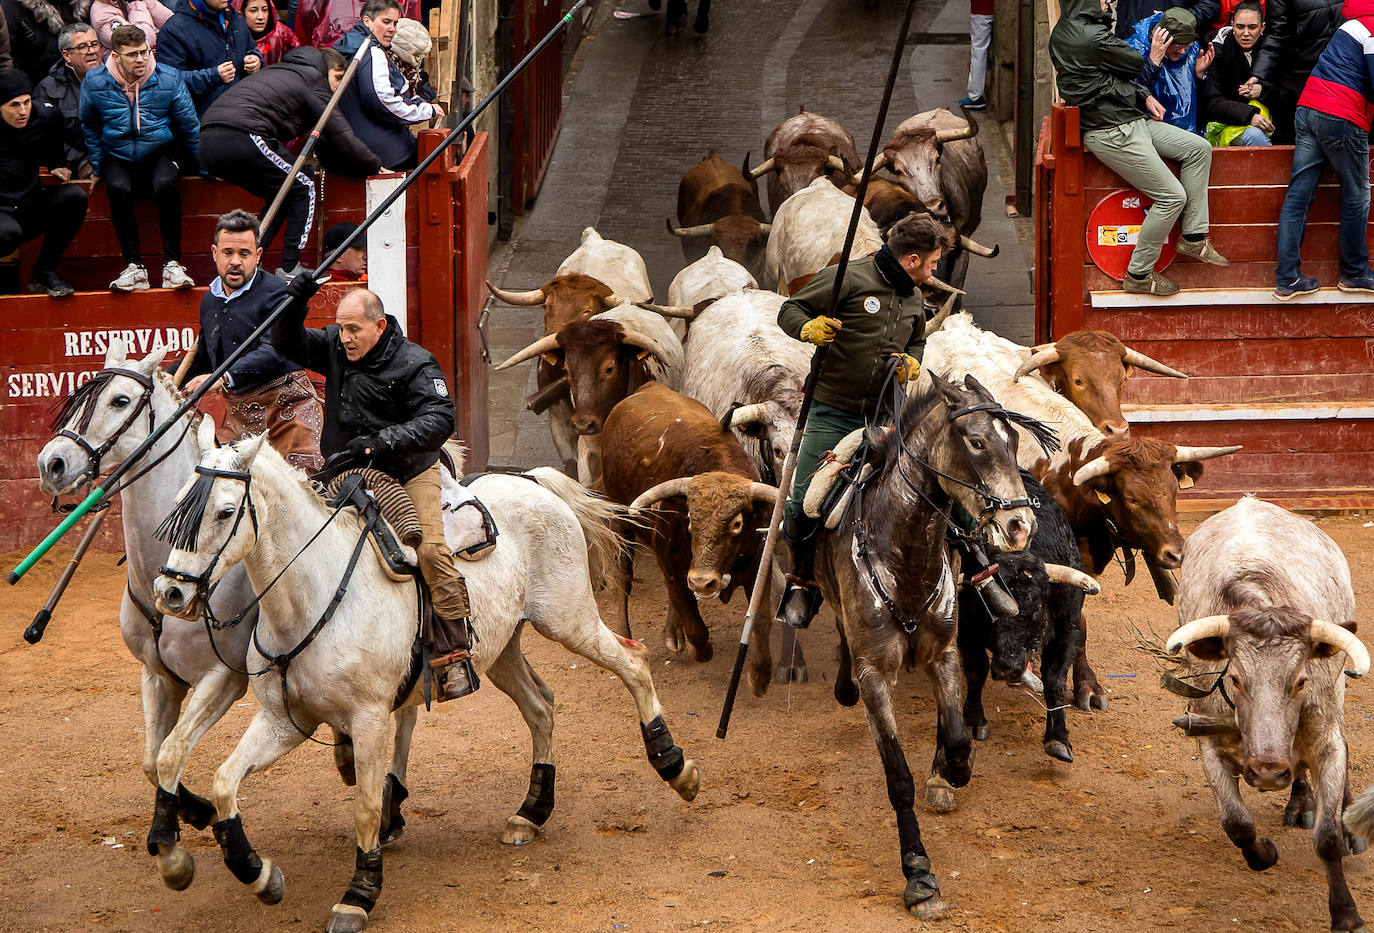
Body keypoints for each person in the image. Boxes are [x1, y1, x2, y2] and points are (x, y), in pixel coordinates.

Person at [272, 282, 479, 702]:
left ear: (379, 326)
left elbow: (440, 419)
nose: (344, 338)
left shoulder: (416, 364)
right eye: (340, 329)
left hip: (406, 471)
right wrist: (296, 301)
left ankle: (455, 651)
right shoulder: (334, 345)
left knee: (431, 551)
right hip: (343, 471)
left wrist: (380, 442)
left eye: (353, 329)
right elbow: (286, 340)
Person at [772, 214, 950, 630]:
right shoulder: (847, 279)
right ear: (911, 259)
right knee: (803, 506)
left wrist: (912, 362)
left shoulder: (912, 298)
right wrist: (808, 328)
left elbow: (918, 339)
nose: (935, 270)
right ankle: (802, 579)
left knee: (923, 493)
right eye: (933, 262)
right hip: (832, 411)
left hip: (886, 416)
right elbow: (789, 309)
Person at [1050, 0, 1230, 296]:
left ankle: (1194, 236)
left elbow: (1108, 82)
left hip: (1125, 118)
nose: (1109, 2)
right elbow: (1135, 63)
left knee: (1198, 148)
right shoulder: (1093, 36)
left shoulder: (1071, 30)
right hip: (1112, 131)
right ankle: (1139, 273)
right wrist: (1155, 55)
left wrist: (1142, 94)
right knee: (1172, 197)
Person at [199, 45, 380, 279]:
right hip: (242, 134)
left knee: (284, 191)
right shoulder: (314, 80)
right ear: (326, 70)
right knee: (303, 181)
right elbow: (340, 135)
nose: (337, 88)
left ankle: (253, 261)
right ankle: (289, 267)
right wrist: (375, 165)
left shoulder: (284, 71)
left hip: (208, 142)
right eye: (337, 78)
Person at [184, 210, 325, 470]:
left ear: (258, 256)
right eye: (228, 253)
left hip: (289, 416)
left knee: (307, 487)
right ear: (214, 253)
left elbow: (276, 349)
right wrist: (167, 380)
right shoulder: (209, 301)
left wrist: (221, 377)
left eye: (244, 254)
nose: (235, 261)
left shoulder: (276, 293)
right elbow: (204, 356)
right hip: (242, 421)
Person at [80, 24, 200, 291]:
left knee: (165, 184)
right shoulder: (96, 80)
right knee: (118, 188)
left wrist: (204, 166)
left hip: (160, 150)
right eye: (132, 54)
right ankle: (134, 267)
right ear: (115, 56)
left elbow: (190, 126)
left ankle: (172, 264)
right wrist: (98, 164)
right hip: (118, 152)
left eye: (144, 52)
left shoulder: (168, 77)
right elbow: (89, 123)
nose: (140, 59)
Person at [1272, 0, 1374, 299]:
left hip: (1308, 107)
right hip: (1341, 115)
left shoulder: (1352, 23)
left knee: (1298, 195)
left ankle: (1287, 278)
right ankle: (1354, 273)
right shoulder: (1372, 28)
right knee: (1357, 194)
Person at [0, 69, 85, 296]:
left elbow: (55, 125)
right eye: (14, 105)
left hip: (28, 204)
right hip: (2, 216)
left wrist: (56, 161)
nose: (23, 111)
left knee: (74, 197)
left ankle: (44, 271)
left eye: (26, 102)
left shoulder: (43, 115)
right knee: (7, 234)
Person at [332, 0, 443, 171]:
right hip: (382, 152)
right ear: (367, 21)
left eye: (395, 23)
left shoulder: (343, 47)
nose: (392, 28)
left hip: (347, 149)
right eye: (386, 22)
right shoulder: (372, 52)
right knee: (437, 156)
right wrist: (427, 110)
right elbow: (381, 100)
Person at [1247, 0, 1343, 143]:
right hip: (1304, 77)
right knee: (1305, 142)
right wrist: (1259, 73)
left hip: (1344, 71)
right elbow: (1276, 34)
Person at [156, 0, 262, 116]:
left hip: (242, 113)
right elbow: (168, 82)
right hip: (201, 121)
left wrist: (255, 59)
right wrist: (212, 76)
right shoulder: (174, 30)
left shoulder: (235, 18)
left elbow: (250, 48)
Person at [1127, 8, 1213, 132]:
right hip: (1149, 130)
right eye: (1177, 45)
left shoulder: (1193, 51)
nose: (1182, 51)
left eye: (1187, 45)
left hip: (1188, 132)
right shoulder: (1136, 49)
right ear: (1162, 38)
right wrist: (1153, 62)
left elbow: (1202, 104)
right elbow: (1129, 93)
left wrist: (1199, 77)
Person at [1202, 1, 1275, 145]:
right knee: (1255, 137)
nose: (1246, 33)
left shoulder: (1272, 49)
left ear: (1262, 27)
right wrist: (1250, 116)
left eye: (1252, 27)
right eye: (1240, 27)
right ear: (1232, 25)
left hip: (1270, 120)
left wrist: (1262, 90)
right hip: (1226, 123)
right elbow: (1211, 101)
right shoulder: (1215, 49)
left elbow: (1286, 89)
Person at [34, 22, 99, 178]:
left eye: (94, 44)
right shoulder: (47, 89)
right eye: (83, 47)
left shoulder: (119, 78)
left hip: (115, 160)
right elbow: (47, 138)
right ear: (66, 55)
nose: (91, 51)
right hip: (76, 166)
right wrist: (81, 162)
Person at [1, 0, 87, 82]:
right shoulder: (12, 8)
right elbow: (9, 63)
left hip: (84, 84)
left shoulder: (81, 6)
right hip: (39, 89)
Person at [89, 0, 173, 53]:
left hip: (152, 58)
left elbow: (176, 26)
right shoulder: (101, 14)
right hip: (128, 68)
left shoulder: (122, 2)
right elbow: (139, 42)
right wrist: (137, 7)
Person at [237, 0, 297, 65]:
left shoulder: (283, 34)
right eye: (253, 11)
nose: (260, 17)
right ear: (242, 13)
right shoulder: (232, 36)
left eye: (265, 10)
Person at [959, 0, 993, 111]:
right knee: (980, 50)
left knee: (978, 50)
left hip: (981, 9)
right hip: (987, 8)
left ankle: (975, 97)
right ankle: (975, 95)